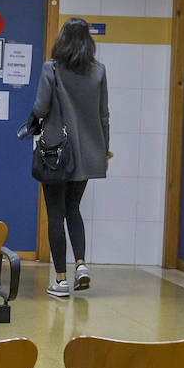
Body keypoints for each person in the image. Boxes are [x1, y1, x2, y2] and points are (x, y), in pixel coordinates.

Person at [27, 17, 110, 299]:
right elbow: (103, 115)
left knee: (55, 213)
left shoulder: (51, 68)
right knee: (73, 209)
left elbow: (40, 106)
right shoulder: (98, 71)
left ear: (62, 39)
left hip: (56, 153)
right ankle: (81, 265)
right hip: (87, 154)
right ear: (88, 41)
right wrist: (104, 151)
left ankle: (60, 281)